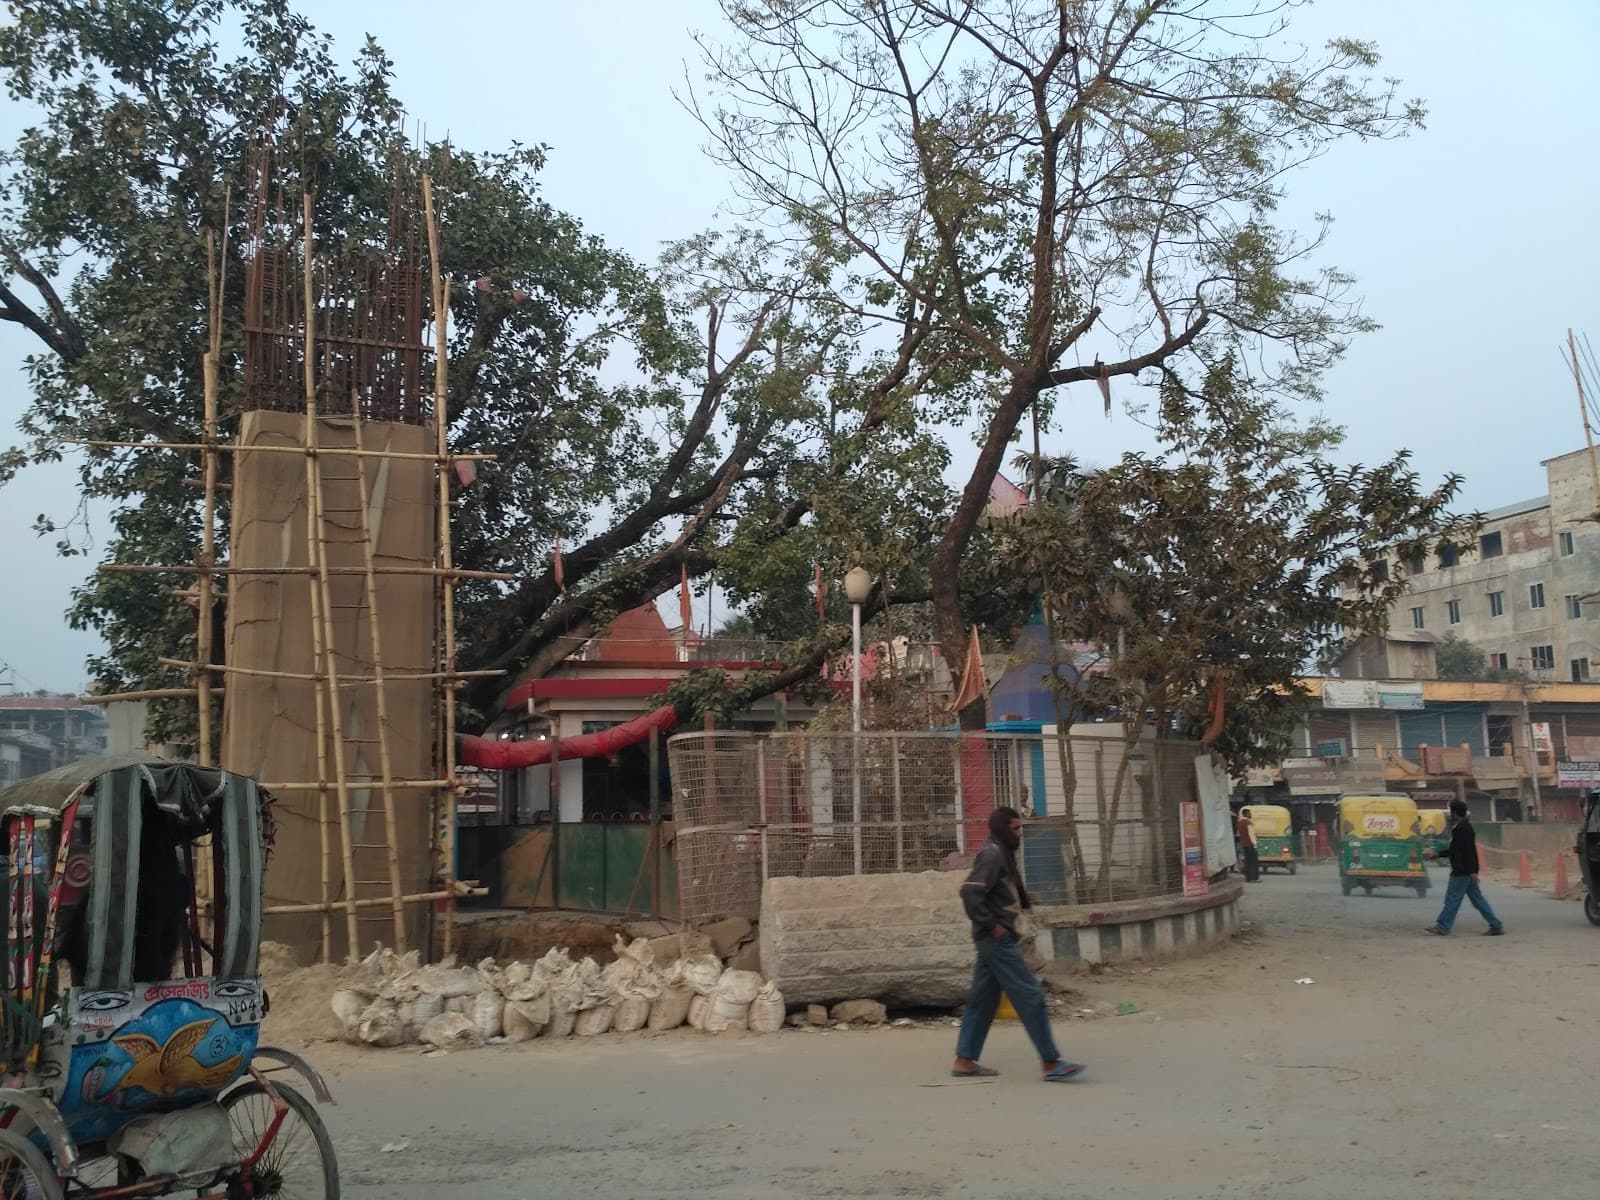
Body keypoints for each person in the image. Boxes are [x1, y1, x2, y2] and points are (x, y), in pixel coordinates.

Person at [951, 807, 1085, 1082]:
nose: (1020, 834)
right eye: (1015, 828)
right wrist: (994, 926)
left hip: (996, 939)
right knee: (1030, 995)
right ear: (1002, 829)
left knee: (982, 1001)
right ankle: (1051, 1062)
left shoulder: (1002, 853)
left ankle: (964, 1060)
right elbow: (970, 892)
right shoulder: (993, 855)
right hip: (996, 941)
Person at [1425, 799, 1504, 936]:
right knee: (1478, 900)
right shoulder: (1464, 827)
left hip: (1461, 872)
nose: (1450, 814)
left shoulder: (1462, 829)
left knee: (1452, 899)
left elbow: (1468, 852)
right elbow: (1457, 850)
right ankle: (1495, 924)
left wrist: (1473, 871)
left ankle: (1443, 926)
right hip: (1466, 871)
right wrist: (1438, 855)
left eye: (1451, 811)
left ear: (1454, 813)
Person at [1236, 807, 1259, 882]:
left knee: (1247, 862)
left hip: (1244, 844)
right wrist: (1255, 845)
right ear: (1246, 814)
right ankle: (1253, 878)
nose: (1250, 814)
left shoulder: (1239, 823)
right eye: (1249, 813)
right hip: (1250, 845)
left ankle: (1248, 878)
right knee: (1253, 862)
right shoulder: (1248, 823)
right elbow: (1251, 835)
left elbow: (1238, 834)